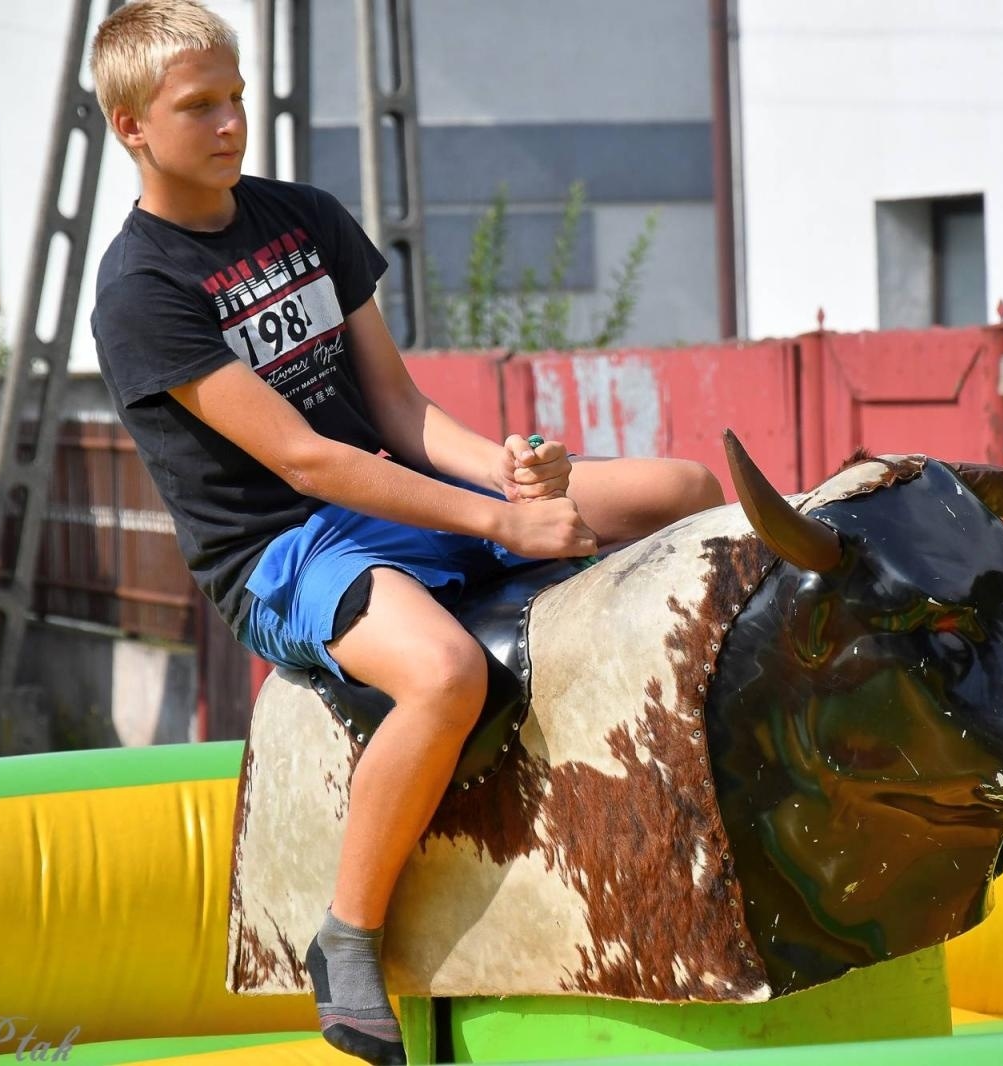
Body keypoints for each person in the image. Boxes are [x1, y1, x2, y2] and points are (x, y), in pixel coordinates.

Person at [86, 3, 724, 1062]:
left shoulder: (306, 218)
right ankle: (348, 935)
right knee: (439, 673)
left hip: (396, 493)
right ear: (130, 127)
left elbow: (395, 408)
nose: (231, 122)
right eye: (199, 106)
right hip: (287, 549)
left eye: (236, 96)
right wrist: (500, 520)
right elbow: (303, 459)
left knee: (686, 484)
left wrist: (504, 468)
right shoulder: (141, 290)